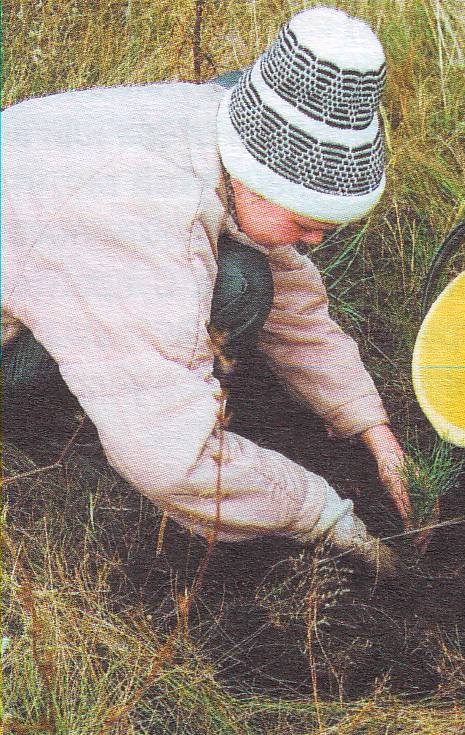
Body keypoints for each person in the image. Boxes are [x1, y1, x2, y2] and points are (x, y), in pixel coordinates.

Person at [1, 6, 411, 573]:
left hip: (39, 261)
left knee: (251, 273)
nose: (316, 238)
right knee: (234, 293)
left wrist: (370, 424)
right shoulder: (143, 224)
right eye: (308, 221)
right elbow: (173, 460)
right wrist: (323, 513)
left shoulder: (203, 123)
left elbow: (294, 300)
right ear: (258, 174)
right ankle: (54, 433)